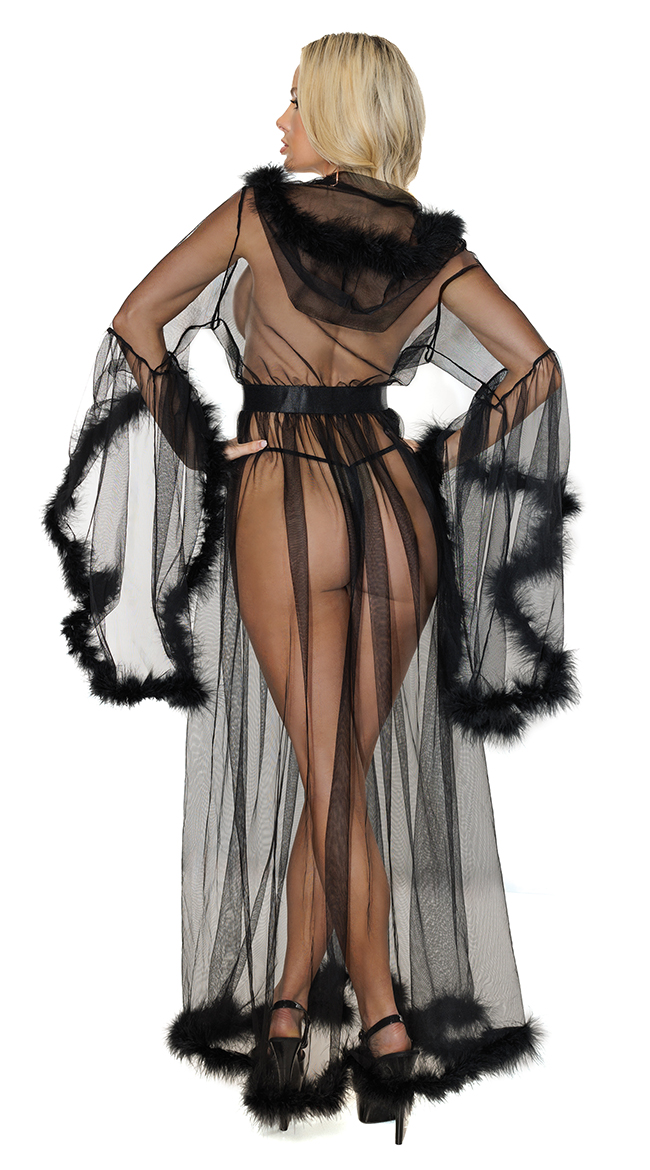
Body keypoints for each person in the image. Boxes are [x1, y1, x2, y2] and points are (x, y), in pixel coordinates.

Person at [44, 32, 578, 1144]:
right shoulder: (433, 252)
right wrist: (437, 455)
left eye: (294, 101)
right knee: (338, 773)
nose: (278, 120)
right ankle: (296, 1007)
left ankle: (374, 1018)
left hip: (287, 494)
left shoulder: (255, 215)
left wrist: (201, 445)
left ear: (336, 112)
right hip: (393, 502)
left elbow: (137, 324)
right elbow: (535, 370)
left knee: (329, 777)